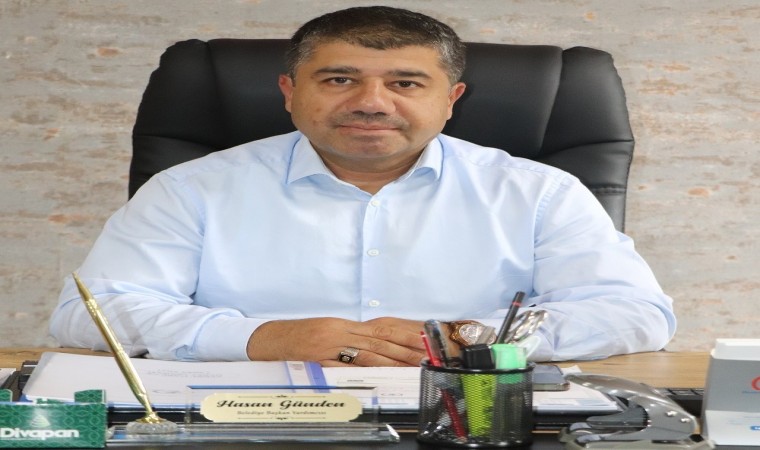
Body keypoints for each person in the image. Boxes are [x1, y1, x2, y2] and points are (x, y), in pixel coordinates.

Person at [50, 6, 676, 366]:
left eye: (405, 83)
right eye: (339, 80)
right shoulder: (192, 189)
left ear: (451, 100)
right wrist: (264, 337)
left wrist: (468, 340)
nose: (371, 102)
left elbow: (635, 313)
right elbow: (89, 314)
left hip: (467, 418)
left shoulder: (538, 192)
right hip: (247, 421)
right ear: (289, 92)